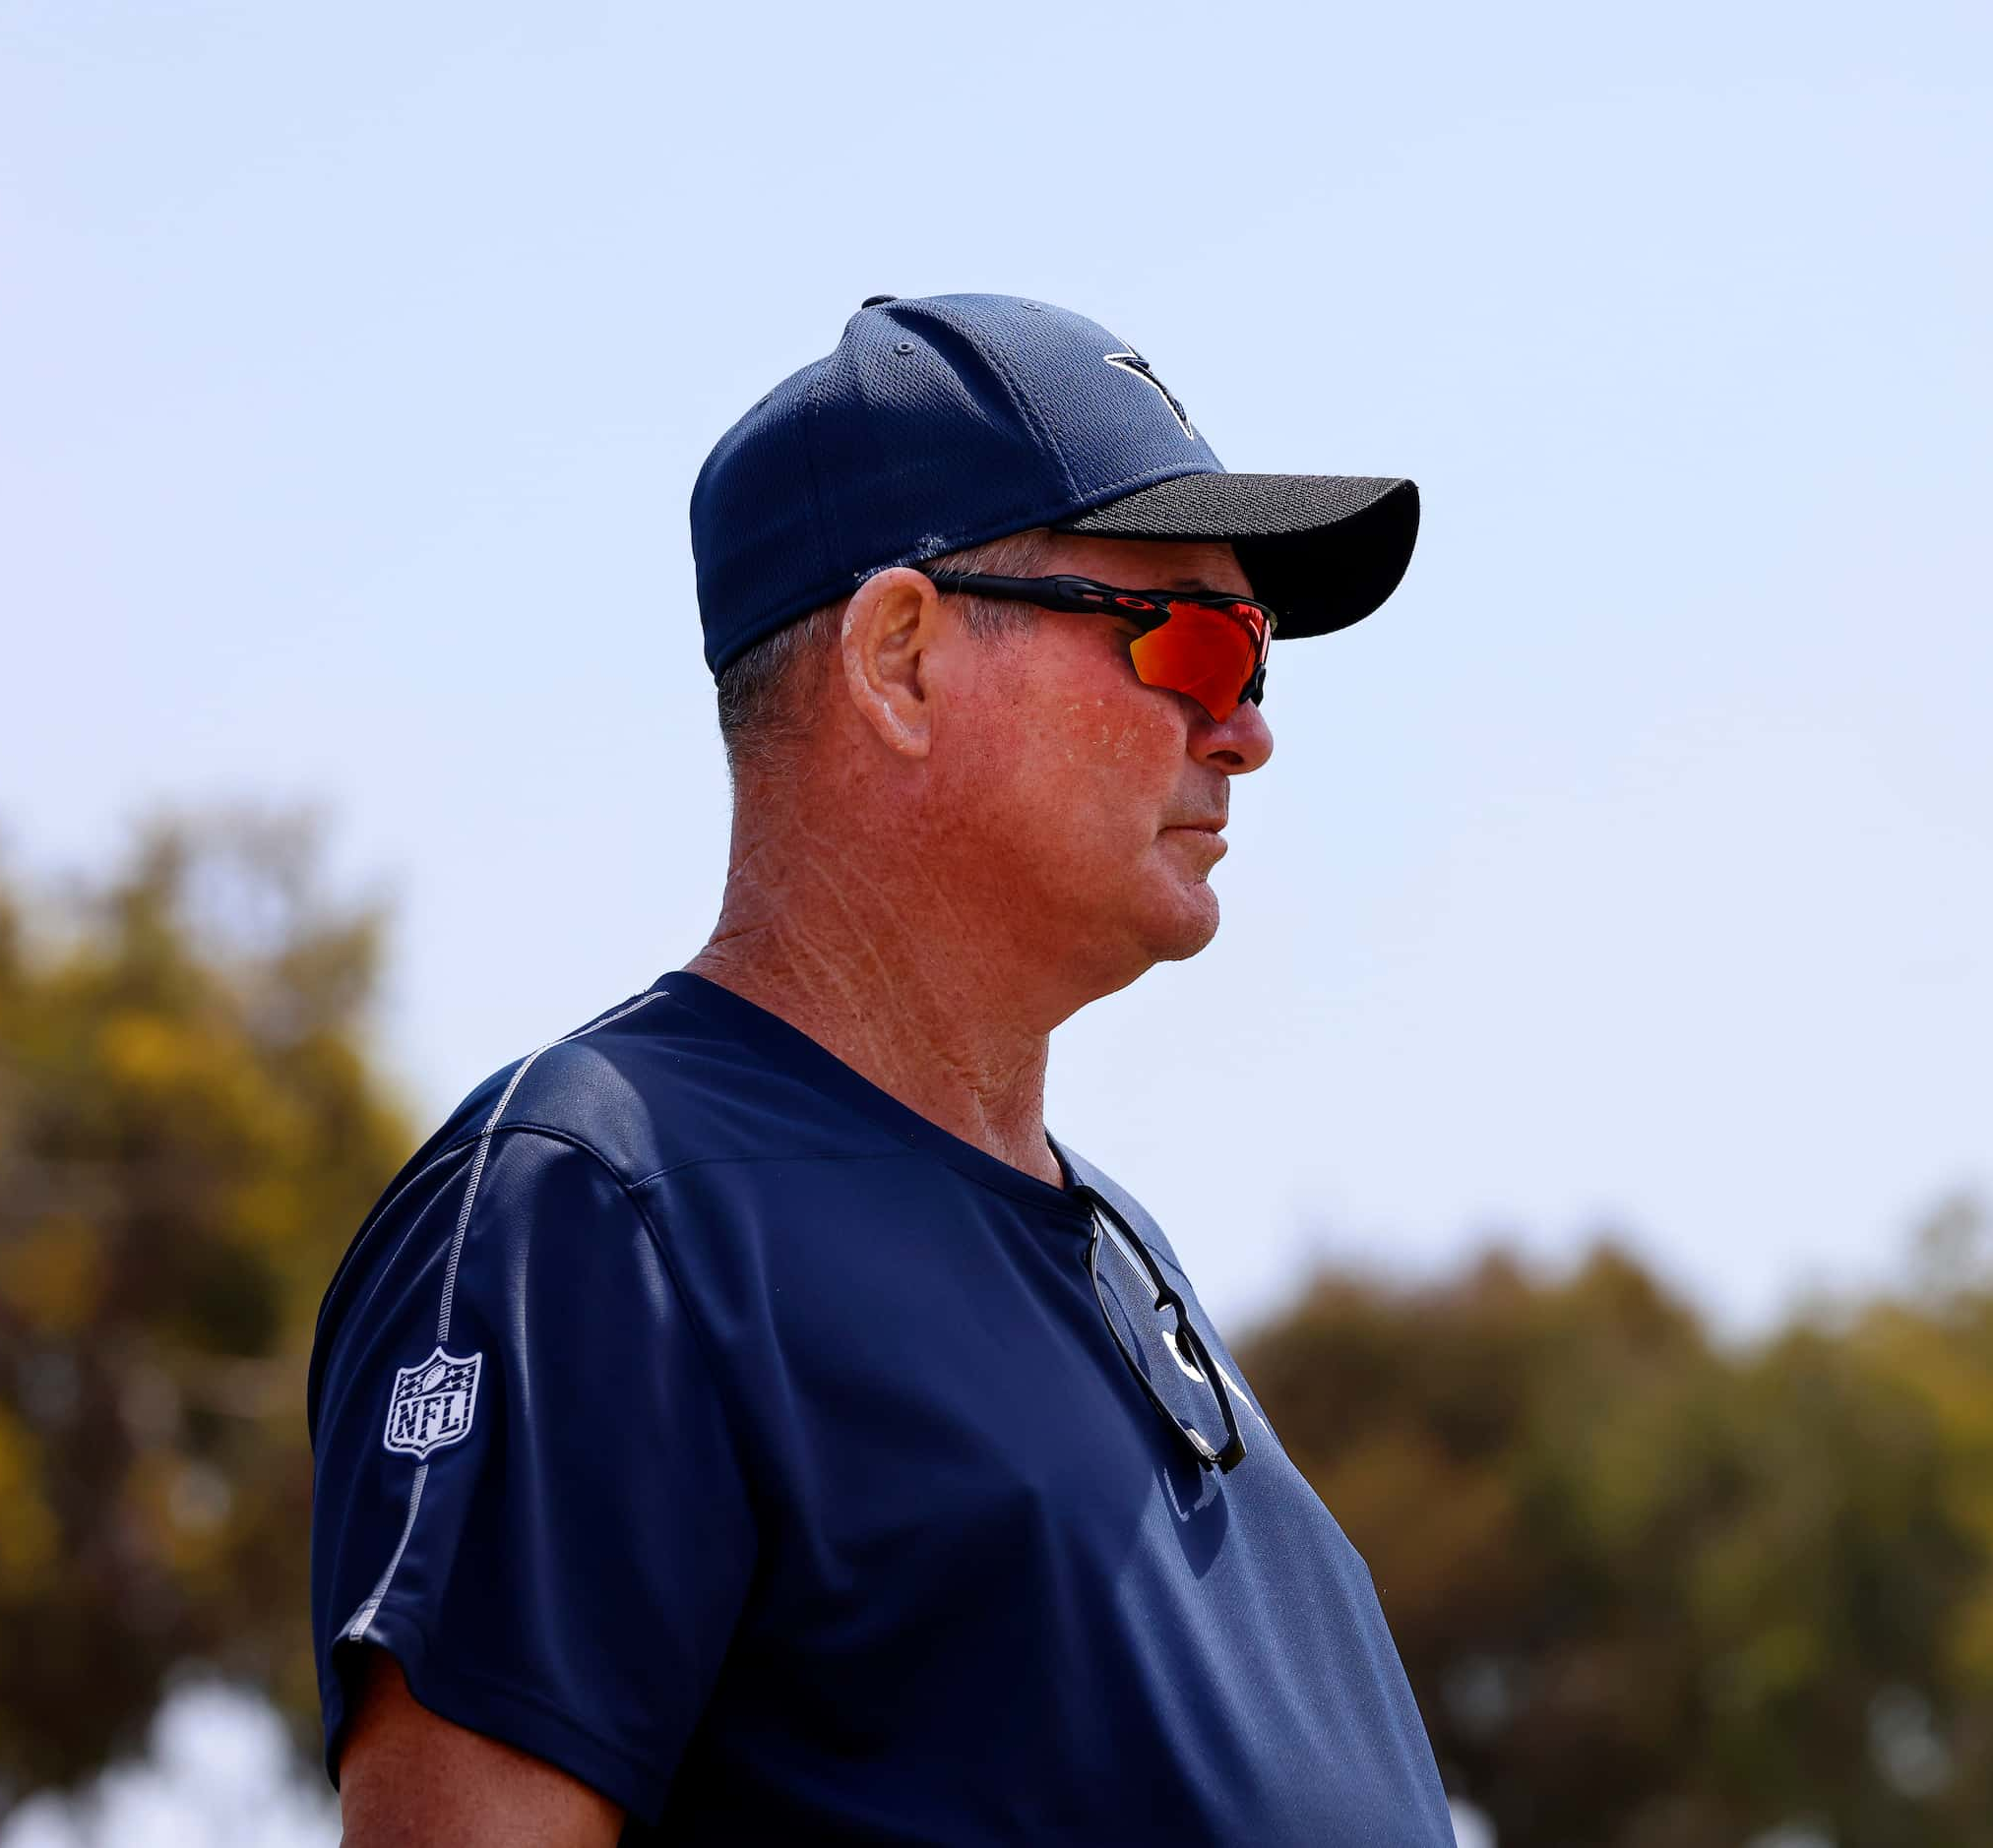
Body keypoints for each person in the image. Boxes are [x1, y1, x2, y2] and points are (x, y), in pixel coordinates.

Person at [306, 293, 1453, 1845]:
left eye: (1255, 661)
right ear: (899, 659)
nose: (1242, 730)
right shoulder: (599, 1208)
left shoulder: (1122, 1250)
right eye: (1187, 637)